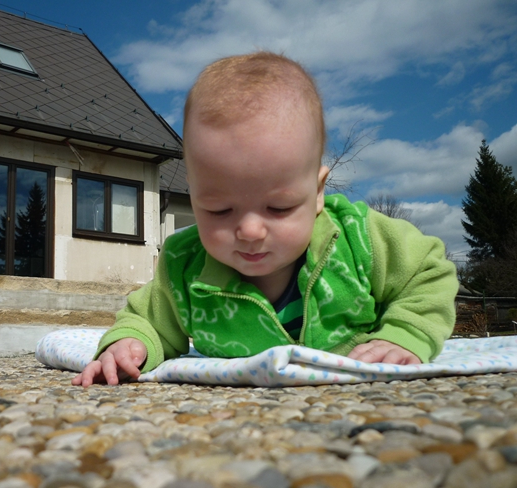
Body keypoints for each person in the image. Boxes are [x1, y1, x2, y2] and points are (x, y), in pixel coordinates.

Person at [72, 51, 458, 388]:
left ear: (318, 191)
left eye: (279, 208)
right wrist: (129, 344)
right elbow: (148, 321)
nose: (250, 231)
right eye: (219, 210)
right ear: (194, 195)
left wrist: (406, 334)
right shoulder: (184, 265)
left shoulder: (358, 236)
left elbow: (426, 273)